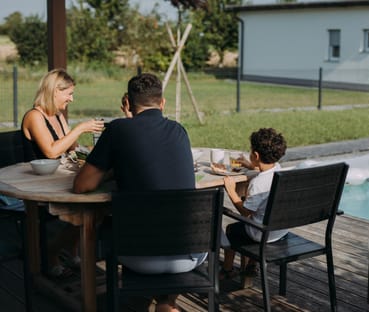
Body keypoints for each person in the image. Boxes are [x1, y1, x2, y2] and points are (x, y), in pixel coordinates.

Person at [73, 73, 198, 312]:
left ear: (128, 104)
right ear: (162, 104)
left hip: (137, 256)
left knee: (102, 225)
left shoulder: (118, 130)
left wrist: (113, 169)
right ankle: (166, 302)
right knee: (167, 224)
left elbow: (82, 185)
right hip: (190, 255)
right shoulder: (179, 131)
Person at [21, 68, 104, 279]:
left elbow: (70, 149)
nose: (72, 99)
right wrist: (79, 129)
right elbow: (51, 151)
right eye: (69, 93)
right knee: (86, 209)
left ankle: (71, 251)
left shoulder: (57, 115)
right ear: (55, 91)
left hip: (58, 178)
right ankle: (52, 253)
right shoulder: (34, 116)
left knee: (95, 205)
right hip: (38, 185)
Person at [221, 128, 287, 279]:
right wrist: (251, 165)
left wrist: (231, 191)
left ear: (256, 155)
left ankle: (227, 270)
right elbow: (264, 170)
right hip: (281, 230)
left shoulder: (257, 183)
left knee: (232, 229)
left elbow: (245, 212)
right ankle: (251, 264)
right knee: (259, 218)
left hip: (261, 234)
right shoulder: (278, 170)